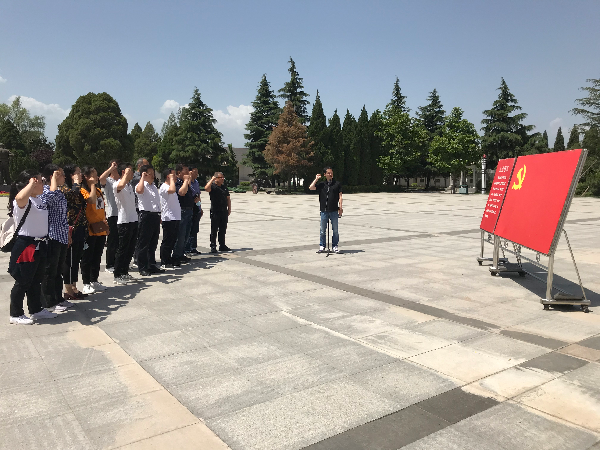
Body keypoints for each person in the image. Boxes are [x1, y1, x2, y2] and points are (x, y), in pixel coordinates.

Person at [8, 171, 58, 324]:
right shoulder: (23, 200)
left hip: (40, 244)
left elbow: (52, 193)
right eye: (41, 181)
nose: (44, 184)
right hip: (27, 245)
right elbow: (19, 198)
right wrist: (31, 183)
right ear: (32, 183)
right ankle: (16, 314)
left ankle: (36, 309)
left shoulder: (38, 200)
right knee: (23, 281)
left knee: (36, 280)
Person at [40, 164, 73, 313]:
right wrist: (53, 179)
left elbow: (63, 216)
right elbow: (48, 199)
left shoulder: (59, 192)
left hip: (61, 235)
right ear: (51, 176)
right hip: (52, 235)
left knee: (59, 269)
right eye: (60, 174)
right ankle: (48, 302)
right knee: (50, 271)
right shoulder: (46, 191)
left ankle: (58, 298)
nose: (64, 177)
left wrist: (67, 234)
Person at [61, 165, 89, 300]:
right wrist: (76, 184)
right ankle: (68, 289)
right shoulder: (65, 188)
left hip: (80, 227)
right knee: (69, 259)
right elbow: (71, 196)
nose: (80, 175)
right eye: (78, 172)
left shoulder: (79, 188)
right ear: (71, 175)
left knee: (76, 258)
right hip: (71, 228)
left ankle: (74, 286)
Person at [80, 166, 109, 294]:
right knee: (87, 257)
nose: (96, 177)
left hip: (100, 227)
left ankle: (94, 280)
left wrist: (105, 222)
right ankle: (86, 283)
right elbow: (91, 201)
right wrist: (92, 185)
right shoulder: (83, 190)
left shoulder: (98, 190)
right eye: (93, 175)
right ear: (86, 177)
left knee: (97, 256)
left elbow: (101, 207)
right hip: (89, 228)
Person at [135, 164, 164, 276]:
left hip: (155, 215)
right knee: (144, 243)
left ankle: (151, 264)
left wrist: (159, 214)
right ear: (144, 174)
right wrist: (142, 178)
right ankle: (142, 267)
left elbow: (156, 202)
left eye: (153, 173)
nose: (153, 175)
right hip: (146, 216)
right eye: (150, 173)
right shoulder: (141, 185)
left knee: (153, 242)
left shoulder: (153, 186)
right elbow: (139, 191)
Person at [113, 163, 139, 285]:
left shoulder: (129, 186)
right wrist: (126, 174)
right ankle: (117, 274)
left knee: (130, 248)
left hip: (133, 219)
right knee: (122, 249)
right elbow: (120, 186)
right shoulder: (117, 184)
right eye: (130, 171)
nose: (132, 173)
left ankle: (124, 271)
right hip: (124, 221)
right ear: (123, 172)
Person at [309, 167, 343, 253]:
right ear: (325, 174)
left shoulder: (337, 184)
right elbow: (311, 187)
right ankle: (322, 246)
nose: (330, 174)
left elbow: (340, 196)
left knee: (335, 230)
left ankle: (335, 246)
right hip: (324, 210)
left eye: (331, 173)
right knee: (322, 230)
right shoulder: (322, 184)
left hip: (334, 210)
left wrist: (340, 207)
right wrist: (316, 179)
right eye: (328, 173)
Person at [159, 168, 181, 268]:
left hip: (175, 217)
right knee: (167, 240)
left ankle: (169, 258)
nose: (176, 177)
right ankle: (164, 260)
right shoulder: (164, 186)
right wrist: (172, 179)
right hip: (168, 218)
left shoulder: (171, 186)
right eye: (173, 175)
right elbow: (172, 190)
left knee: (173, 239)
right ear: (168, 176)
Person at [205, 171, 231, 253]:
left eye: (223, 177)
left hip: (224, 211)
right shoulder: (213, 187)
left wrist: (229, 209)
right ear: (216, 178)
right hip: (215, 211)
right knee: (214, 229)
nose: (223, 179)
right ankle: (213, 246)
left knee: (223, 229)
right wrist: (211, 180)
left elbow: (228, 199)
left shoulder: (224, 187)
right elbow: (206, 188)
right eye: (220, 177)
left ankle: (222, 245)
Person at [172, 164, 193, 264]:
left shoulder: (186, 182)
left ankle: (181, 254)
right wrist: (186, 181)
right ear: (179, 172)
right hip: (182, 211)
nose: (188, 172)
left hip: (189, 210)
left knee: (186, 235)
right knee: (181, 235)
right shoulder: (177, 182)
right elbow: (181, 192)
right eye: (185, 170)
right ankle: (176, 256)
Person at [101, 161, 119, 273]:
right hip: (113, 214)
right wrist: (111, 168)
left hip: (122, 214)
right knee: (112, 241)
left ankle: (118, 262)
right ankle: (109, 264)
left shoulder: (121, 181)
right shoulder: (108, 181)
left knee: (120, 241)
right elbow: (101, 178)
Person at [185, 165, 202, 256]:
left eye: (197, 173)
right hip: (189, 206)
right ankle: (187, 249)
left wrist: (200, 207)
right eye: (194, 172)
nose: (196, 174)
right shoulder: (186, 182)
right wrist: (189, 177)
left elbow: (198, 195)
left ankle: (193, 247)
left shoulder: (196, 182)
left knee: (195, 229)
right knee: (188, 228)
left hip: (196, 207)